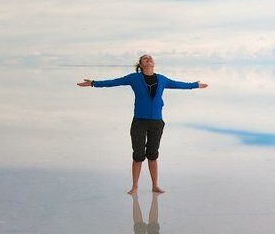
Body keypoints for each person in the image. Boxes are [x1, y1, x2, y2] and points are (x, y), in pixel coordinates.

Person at [77, 54, 209, 194]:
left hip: (157, 122)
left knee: (153, 155)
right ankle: (135, 186)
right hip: (139, 122)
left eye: (150, 58)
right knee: (138, 155)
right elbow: (114, 82)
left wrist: (195, 85)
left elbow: (178, 84)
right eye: (145, 58)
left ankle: (155, 185)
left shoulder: (162, 79)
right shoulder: (134, 78)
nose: (149, 59)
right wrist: (93, 83)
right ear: (141, 65)